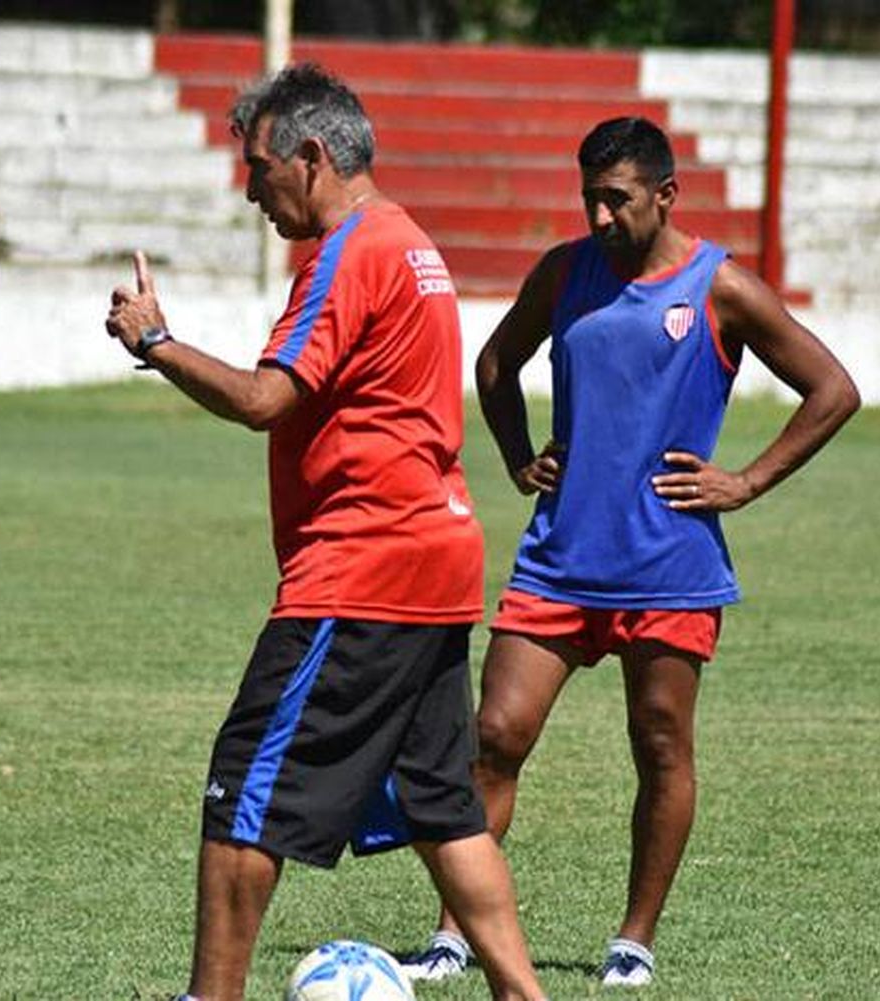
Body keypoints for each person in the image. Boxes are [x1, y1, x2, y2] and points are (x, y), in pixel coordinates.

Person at [104, 63, 548, 1001]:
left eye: (260, 168)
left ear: (310, 157)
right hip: (438, 562)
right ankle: (522, 992)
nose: (253, 191)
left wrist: (156, 343)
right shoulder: (412, 242)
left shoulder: (350, 252)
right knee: (443, 805)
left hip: (362, 570)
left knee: (243, 790)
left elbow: (269, 399)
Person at [401, 116, 860, 989]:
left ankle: (634, 938)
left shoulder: (719, 285)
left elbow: (833, 389)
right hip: (560, 554)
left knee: (658, 742)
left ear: (664, 194)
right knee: (495, 734)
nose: (601, 217)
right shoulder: (566, 272)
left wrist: (747, 481)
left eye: (617, 200)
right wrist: (516, 454)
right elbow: (496, 362)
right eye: (589, 200)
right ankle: (455, 931)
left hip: (670, 564)